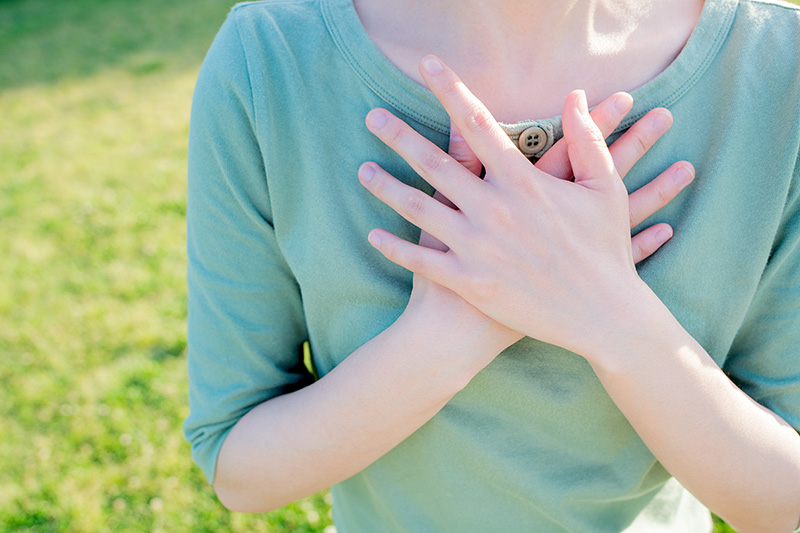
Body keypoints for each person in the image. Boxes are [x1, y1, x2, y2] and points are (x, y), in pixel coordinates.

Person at [183, 0, 800, 531]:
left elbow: (779, 501)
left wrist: (611, 314)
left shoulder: (774, 71)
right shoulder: (268, 64)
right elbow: (240, 470)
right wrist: (446, 334)